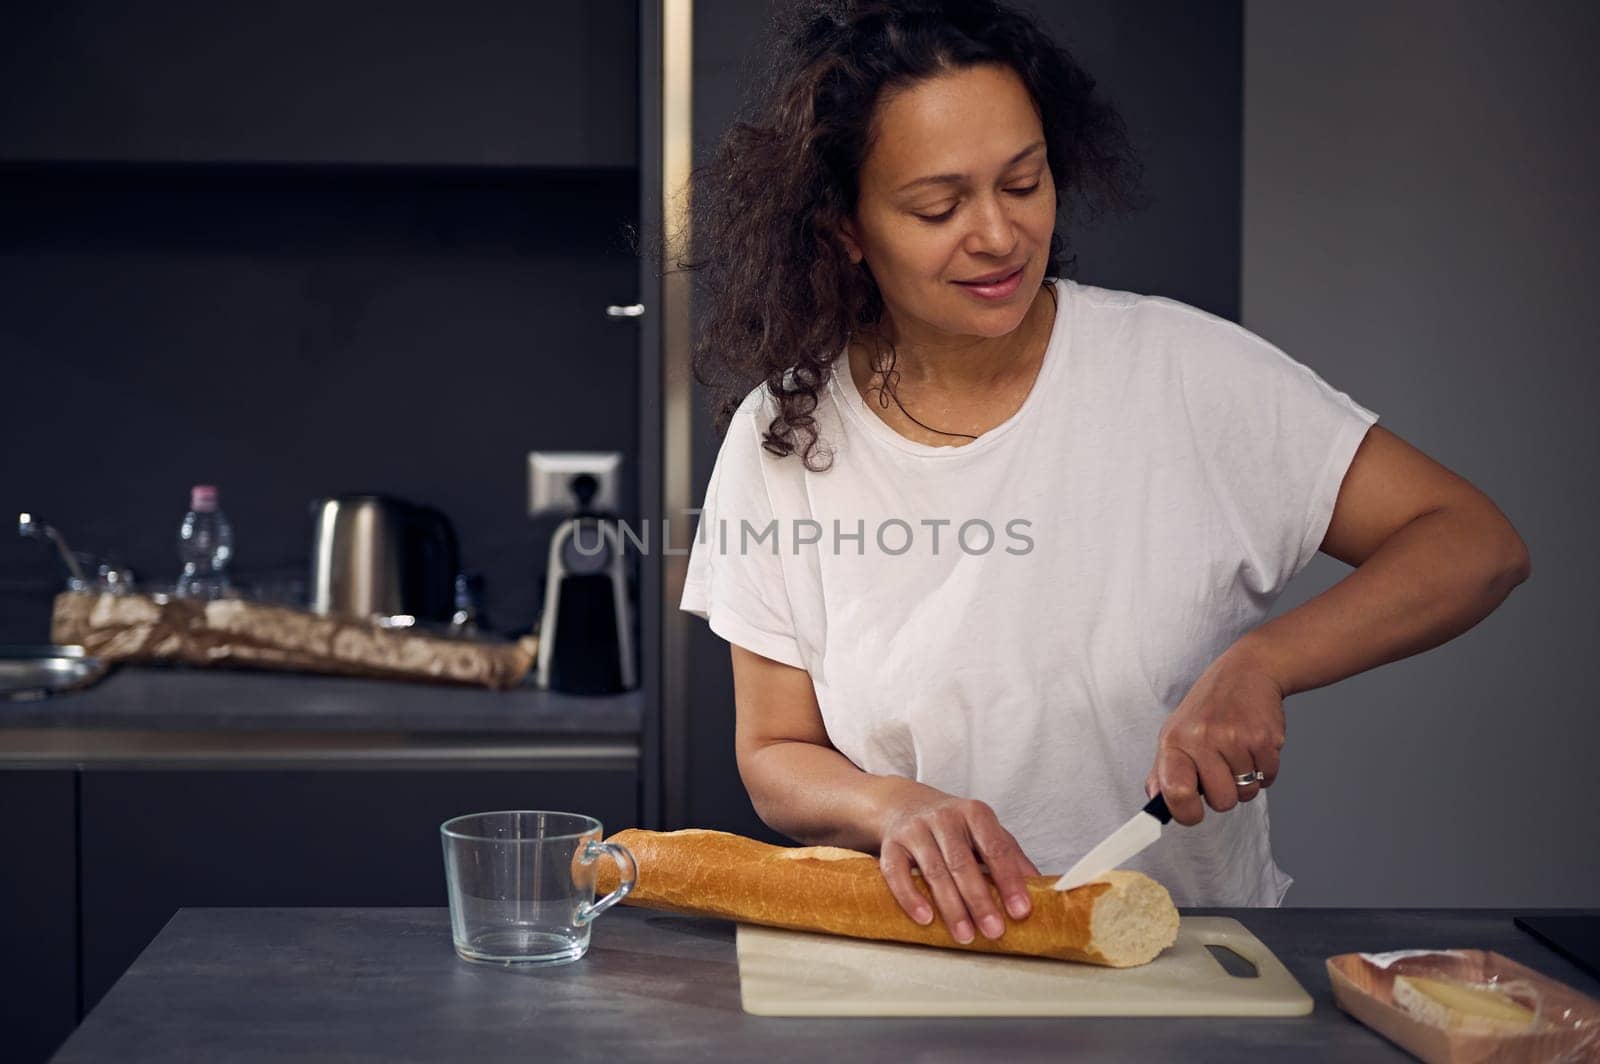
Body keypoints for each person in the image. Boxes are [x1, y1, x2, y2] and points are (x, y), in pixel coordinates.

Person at [678, 0, 1530, 944]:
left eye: (1024, 182)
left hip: (1187, 960)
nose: (999, 235)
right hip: (918, 963)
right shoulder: (785, 433)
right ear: (845, 227)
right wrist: (894, 806)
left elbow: (1474, 544)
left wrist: (1263, 664)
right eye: (938, 206)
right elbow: (774, 752)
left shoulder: (1187, 373)